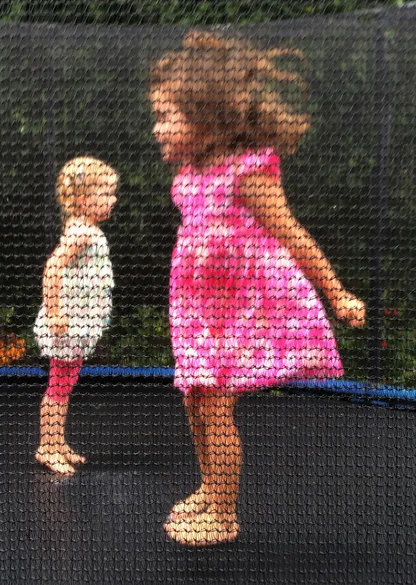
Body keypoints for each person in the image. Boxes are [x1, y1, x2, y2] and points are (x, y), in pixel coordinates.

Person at [149, 31, 366, 546]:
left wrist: (336, 294)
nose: (157, 128)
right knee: (194, 400)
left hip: (240, 310)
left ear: (208, 116)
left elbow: (291, 233)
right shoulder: (188, 174)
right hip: (196, 308)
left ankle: (224, 515)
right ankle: (209, 486)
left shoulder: (248, 172)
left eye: (166, 116)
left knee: (216, 403)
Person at [34, 156, 118, 476]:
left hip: (79, 323)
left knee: (64, 385)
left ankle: (57, 442)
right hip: (68, 323)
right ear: (83, 199)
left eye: (113, 194)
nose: (112, 200)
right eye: (106, 193)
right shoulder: (81, 232)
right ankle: (47, 447)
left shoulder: (87, 230)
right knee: (58, 386)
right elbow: (53, 268)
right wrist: (55, 313)